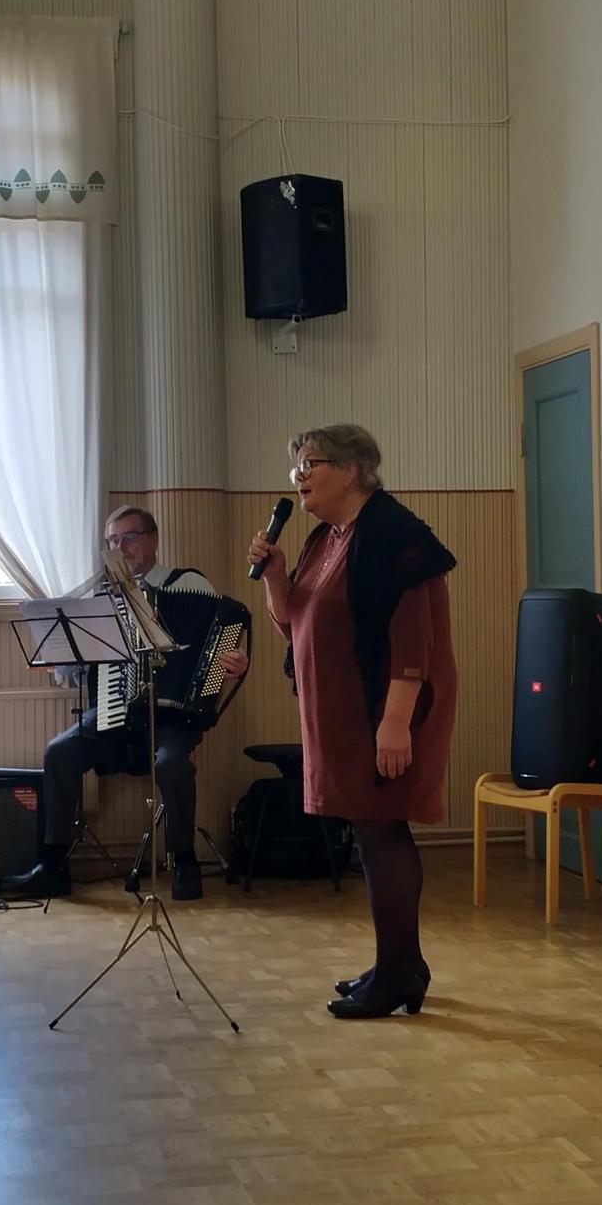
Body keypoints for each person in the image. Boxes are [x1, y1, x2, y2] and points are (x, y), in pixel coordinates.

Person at [249, 425, 457, 1019]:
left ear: (351, 469)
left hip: (387, 710)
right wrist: (275, 576)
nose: (300, 476)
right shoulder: (326, 537)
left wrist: (395, 723)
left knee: (382, 832)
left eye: (311, 463)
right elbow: (295, 624)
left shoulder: (394, 534)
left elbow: (414, 639)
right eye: (296, 465)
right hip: (343, 713)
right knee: (370, 834)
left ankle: (396, 976)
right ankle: (403, 963)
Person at [5, 505, 249, 902]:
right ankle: (52, 866)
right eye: (112, 541)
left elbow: (220, 639)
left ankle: (184, 860)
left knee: (172, 763)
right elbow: (87, 662)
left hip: (173, 717)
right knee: (59, 751)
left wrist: (235, 662)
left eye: (129, 538)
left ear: (153, 541)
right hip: (114, 709)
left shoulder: (189, 584)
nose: (120, 548)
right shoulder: (104, 597)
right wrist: (66, 655)